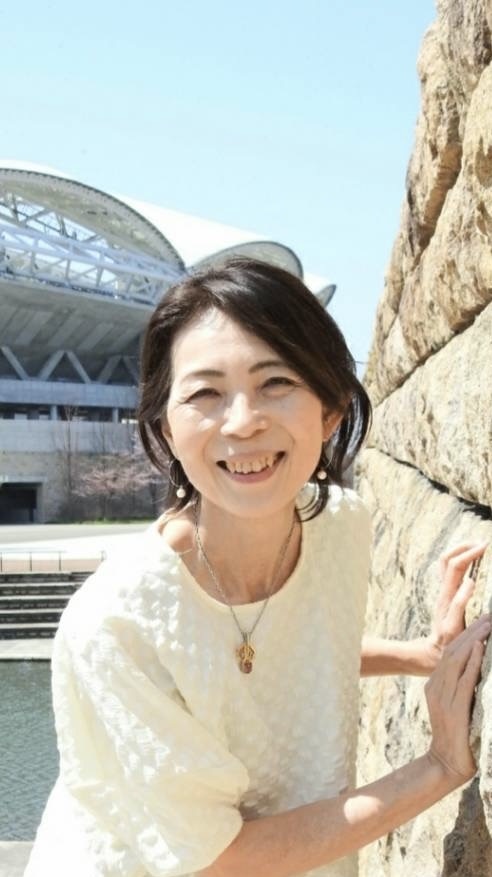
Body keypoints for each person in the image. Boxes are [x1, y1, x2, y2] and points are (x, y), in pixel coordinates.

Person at [25, 258, 490, 877]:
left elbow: (278, 657)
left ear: (330, 410)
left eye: (276, 381)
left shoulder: (340, 528)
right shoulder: (114, 626)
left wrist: (421, 655)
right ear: (166, 428)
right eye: (205, 393)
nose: (243, 422)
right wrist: (439, 766)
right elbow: (220, 859)